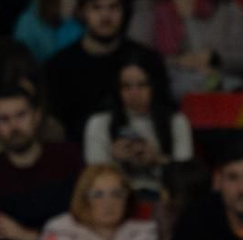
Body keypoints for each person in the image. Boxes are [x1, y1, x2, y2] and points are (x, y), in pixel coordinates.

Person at [82, 50, 194, 206]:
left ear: (156, 85)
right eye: (126, 86)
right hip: (116, 203)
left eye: (142, 85)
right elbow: (93, 181)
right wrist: (114, 161)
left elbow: (189, 181)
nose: (134, 94)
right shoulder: (99, 123)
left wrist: (157, 160)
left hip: (166, 202)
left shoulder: (177, 122)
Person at [0, 85, 81, 240]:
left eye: (21, 115)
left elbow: (88, 222)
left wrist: (28, 236)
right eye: (4, 119)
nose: (14, 126)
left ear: (36, 116)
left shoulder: (69, 158)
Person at [46, 0, 132, 138]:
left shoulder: (144, 61)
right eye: (96, 7)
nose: (106, 16)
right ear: (82, 12)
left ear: (124, 11)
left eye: (113, 7)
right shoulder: (58, 67)